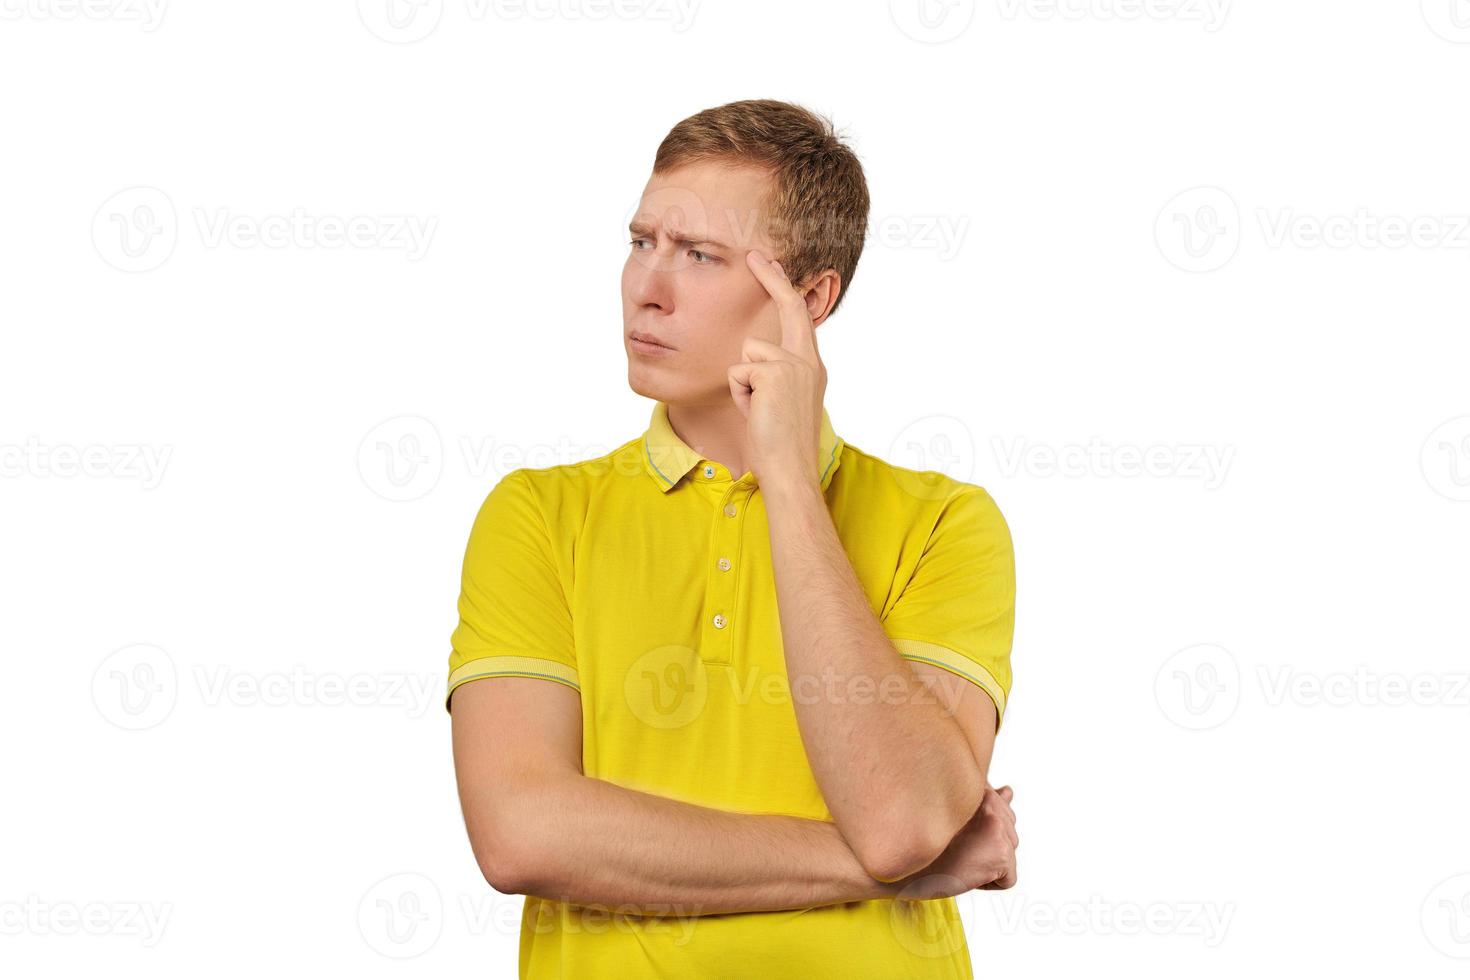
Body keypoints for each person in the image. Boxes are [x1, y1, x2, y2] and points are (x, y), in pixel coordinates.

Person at [447, 98, 1018, 979]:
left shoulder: (946, 522)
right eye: (642, 243)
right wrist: (889, 871)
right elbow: (521, 834)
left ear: (812, 296)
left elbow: (903, 815)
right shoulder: (537, 515)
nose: (648, 286)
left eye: (701, 257)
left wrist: (787, 477)